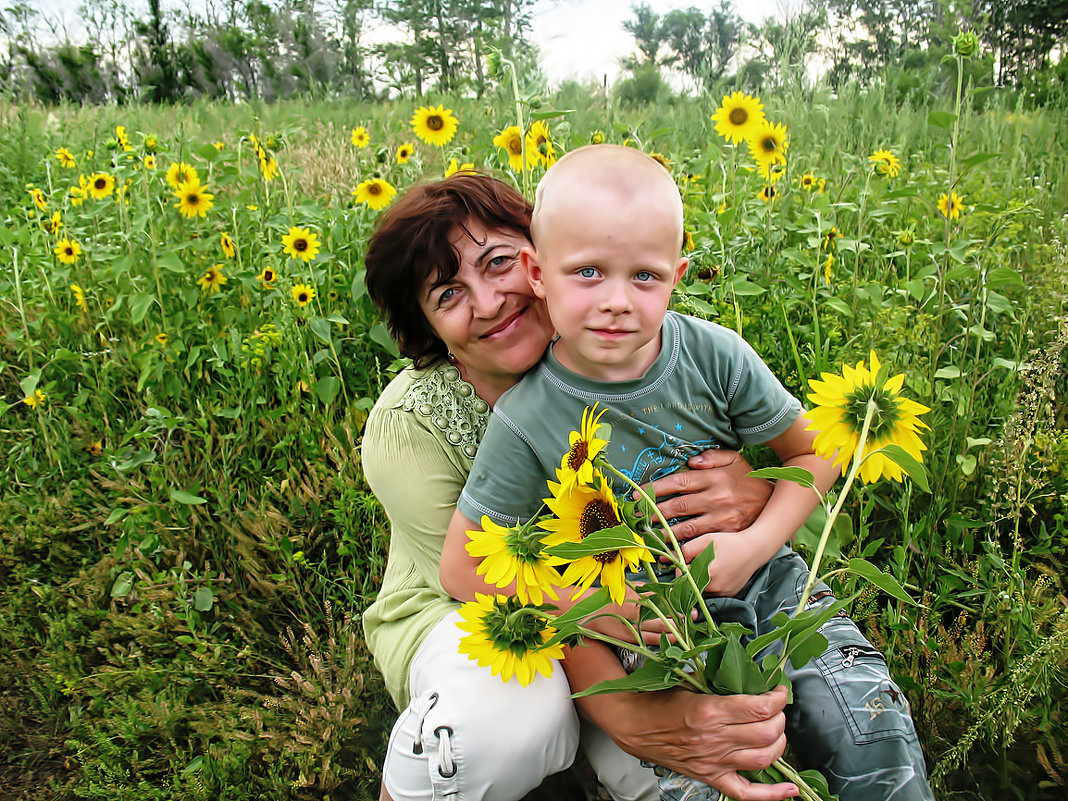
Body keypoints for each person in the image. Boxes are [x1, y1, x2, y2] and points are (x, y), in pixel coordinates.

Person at [442, 145, 935, 801]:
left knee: (868, 727)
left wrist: (753, 544)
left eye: (644, 277)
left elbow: (815, 453)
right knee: (712, 772)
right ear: (537, 272)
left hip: (773, 587)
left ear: (677, 275)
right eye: (587, 272)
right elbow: (461, 567)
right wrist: (598, 608)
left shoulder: (714, 355)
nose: (617, 301)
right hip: (651, 637)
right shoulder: (526, 417)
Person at [361, 171, 797, 801]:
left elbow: (798, 469)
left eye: (498, 263)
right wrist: (628, 714)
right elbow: (481, 579)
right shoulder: (410, 429)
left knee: (710, 752)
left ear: (542, 261)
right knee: (513, 719)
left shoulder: (622, 339)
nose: (488, 303)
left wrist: (750, 490)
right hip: (486, 615)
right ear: (427, 326)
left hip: (634, 601)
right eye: (448, 294)